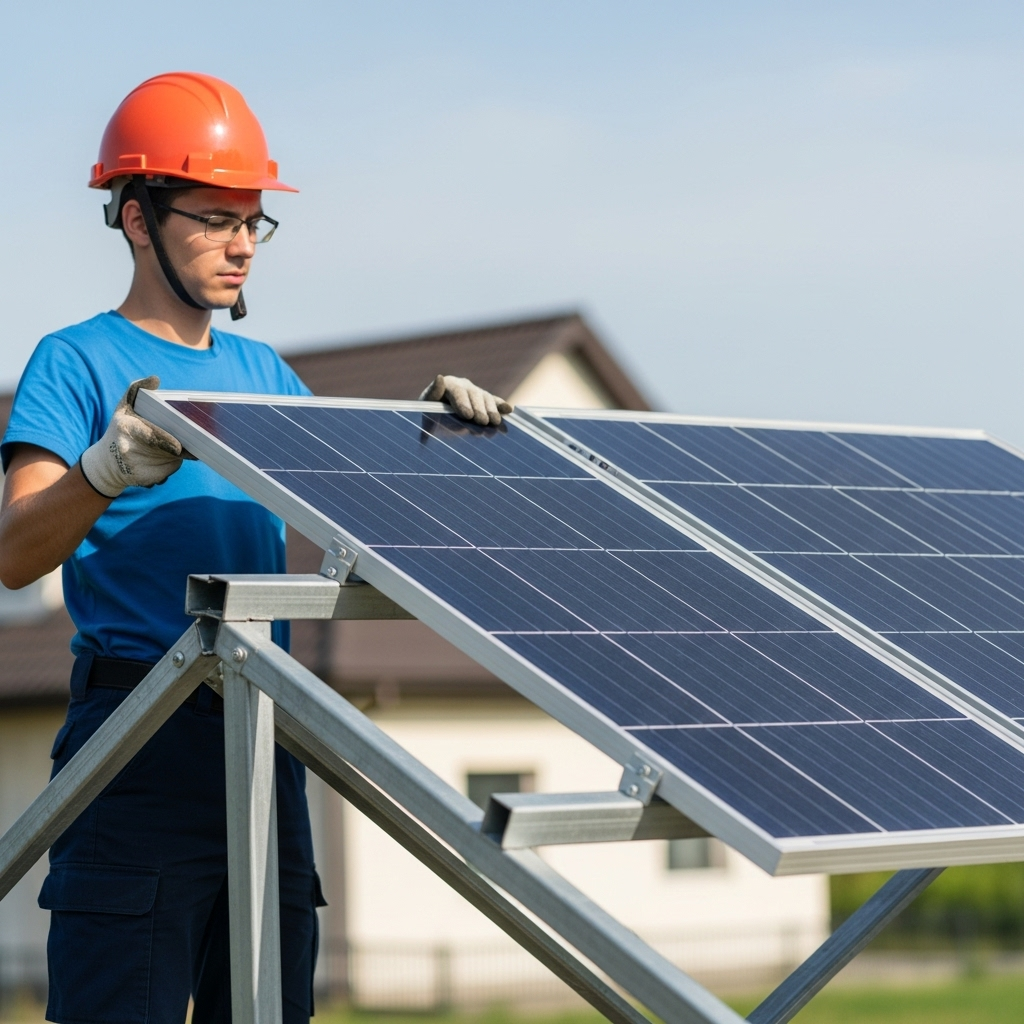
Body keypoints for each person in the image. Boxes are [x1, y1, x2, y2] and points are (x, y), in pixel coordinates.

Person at [0, 72, 511, 1024]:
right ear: (137, 217)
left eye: (254, 221)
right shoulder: (73, 361)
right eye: (213, 217)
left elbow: (363, 514)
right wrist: (102, 470)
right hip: (133, 737)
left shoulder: (264, 373)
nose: (242, 244)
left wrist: (438, 441)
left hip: (262, 733)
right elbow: (15, 551)